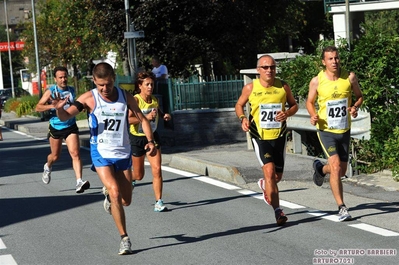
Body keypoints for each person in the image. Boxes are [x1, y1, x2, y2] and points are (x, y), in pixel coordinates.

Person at [53, 62, 157, 255]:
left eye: (108, 84)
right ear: (94, 81)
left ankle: (110, 198)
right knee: (115, 191)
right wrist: (60, 109)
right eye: (100, 85)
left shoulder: (125, 97)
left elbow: (142, 119)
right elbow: (66, 116)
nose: (105, 88)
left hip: (122, 153)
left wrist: (150, 141)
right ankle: (124, 239)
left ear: (113, 79)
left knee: (126, 200)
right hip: (100, 153)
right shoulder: (88, 99)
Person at [235, 55, 298, 226]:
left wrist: (287, 113)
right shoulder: (250, 88)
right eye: (265, 67)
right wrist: (243, 118)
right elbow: (239, 105)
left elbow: (294, 105)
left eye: (272, 67)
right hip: (260, 136)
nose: (269, 70)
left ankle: (265, 185)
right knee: (269, 172)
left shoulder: (283, 86)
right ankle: (278, 212)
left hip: (279, 136)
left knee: (276, 177)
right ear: (258, 70)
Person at [306, 45, 363, 222]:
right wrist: (313, 115)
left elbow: (359, 96)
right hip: (325, 130)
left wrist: (354, 107)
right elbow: (310, 101)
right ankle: (342, 207)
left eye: (336, 58)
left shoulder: (350, 77)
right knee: (337, 166)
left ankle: (320, 169)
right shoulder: (317, 81)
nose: (334, 61)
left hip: (344, 129)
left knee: (341, 170)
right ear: (324, 62)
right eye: (330, 59)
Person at [35, 66, 90, 193]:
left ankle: (79, 181)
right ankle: (48, 166)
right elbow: (38, 107)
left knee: (75, 153)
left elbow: (75, 106)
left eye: (65, 76)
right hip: (56, 126)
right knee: (55, 156)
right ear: (55, 79)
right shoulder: (51, 91)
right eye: (60, 77)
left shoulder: (71, 90)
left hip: (70, 125)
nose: (63, 79)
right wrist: (52, 106)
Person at [128, 71, 172, 212]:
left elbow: (157, 111)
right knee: (139, 175)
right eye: (147, 84)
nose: (150, 87)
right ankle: (129, 179)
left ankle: (158, 202)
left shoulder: (154, 99)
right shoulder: (135, 100)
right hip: (137, 138)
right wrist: (145, 117)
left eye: (152, 84)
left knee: (157, 169)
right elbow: (128, 119)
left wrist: (163, 115)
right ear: (139, 86)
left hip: (152, 137)